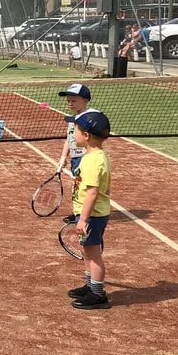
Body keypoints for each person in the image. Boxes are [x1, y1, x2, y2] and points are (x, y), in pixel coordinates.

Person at [65, 110, 113, 310]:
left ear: (86, 135)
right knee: (87, 252)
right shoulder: (96, 156)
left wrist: (83, 219)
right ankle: (91, 285)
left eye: (75, 130)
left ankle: (98, 295)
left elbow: (92, 193)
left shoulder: (94, 161)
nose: (72, 133)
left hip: (92, 216)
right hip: (92, 214)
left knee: (93, 255)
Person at [55, 84, 97, 224]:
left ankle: (83, 214)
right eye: (68, 100)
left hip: (86, 158)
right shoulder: (73, 119)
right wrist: (63, 157)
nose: (70, 103)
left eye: (74, 100)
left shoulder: (91, 117)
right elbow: (69, 139)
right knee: (78, 186)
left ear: (85, 100)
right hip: (75, 158)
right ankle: (80, 212)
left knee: (85, 186)